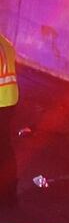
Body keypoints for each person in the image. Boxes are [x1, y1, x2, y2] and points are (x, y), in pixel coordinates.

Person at [0, 31, 18, 210]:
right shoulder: (6, 43)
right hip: (9, 100)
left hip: (0, 101)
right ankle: (9, 192)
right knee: (5, 148)